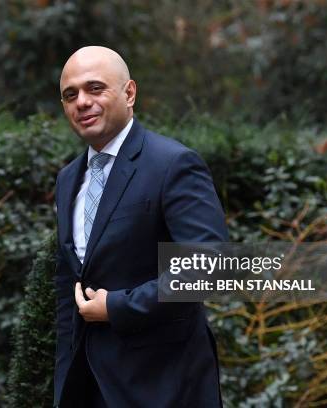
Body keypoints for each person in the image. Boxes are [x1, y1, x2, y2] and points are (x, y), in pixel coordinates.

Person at [54, 46, 229, 408]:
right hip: (87, 386)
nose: (82, 102)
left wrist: (116, 307)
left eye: (95, 88)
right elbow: (67, 289)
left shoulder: (173, 164)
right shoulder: (68, 179)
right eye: (71, 95)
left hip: (163, 385)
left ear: (129, 93)